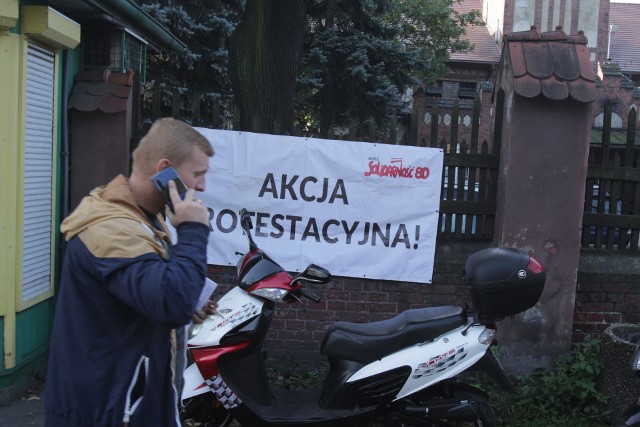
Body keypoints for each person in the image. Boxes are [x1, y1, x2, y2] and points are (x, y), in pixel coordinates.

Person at [44, 118, 215, 427]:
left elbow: (145, 299)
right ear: (165, 169)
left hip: (129, 402)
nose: (202, 185)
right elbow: (170, 303)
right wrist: (192, 230)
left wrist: (189, 304)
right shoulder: (112, 228)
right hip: (103, 411)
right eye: (198, 173)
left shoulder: (143, 218)